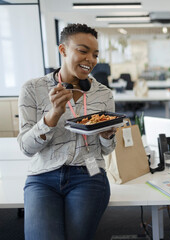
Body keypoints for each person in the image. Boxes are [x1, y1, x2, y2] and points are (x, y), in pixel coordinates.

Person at [17, 23, 117, 240]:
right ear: (63, 50)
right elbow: (26, 148)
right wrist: (52, 116)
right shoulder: (33, 89)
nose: (90, 59)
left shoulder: (104, 94)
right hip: (43, 176)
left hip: (88, 173)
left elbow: (107, 151)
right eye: (83, 51)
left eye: (95, 54)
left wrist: (108, 136)